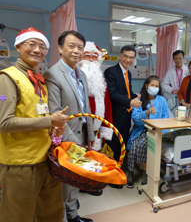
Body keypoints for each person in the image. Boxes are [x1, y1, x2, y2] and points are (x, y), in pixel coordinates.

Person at [0, 27, 69, 222]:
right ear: (18, 46)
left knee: (52, 211)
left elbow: (35, 115)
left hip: (45, 158)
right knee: (17, 215)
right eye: (31, 44)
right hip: (21, 162)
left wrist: (55, 127)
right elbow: (4, 123)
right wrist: (49, 120)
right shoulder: (7, 78)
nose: (37, 50)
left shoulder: (39, 80)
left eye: (42, 46)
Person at [44, 31, 95, 222]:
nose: (76, 51)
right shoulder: (53, 74)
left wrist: (90, 134)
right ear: (60, 48)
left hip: (82, 132)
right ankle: (62, 217)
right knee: (64, 179)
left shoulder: (81, 73)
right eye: (71, 46)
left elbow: (86, 107)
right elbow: (56, 113)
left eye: (80, 47)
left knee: (76, 176)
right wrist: (76, 145)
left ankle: (73, 214)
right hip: (65, 135)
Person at [77, 41, 114, 197]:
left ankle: (91, 184)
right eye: (87, 56)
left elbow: (107, 105)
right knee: (78, 155)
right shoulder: (75, 78)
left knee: (95, 154)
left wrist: (108, 127)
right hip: (79, 126)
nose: (90, 60)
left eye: (94, 56)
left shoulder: (101, 82)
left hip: (97, 127)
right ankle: (77, 183)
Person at [104, 45, 142, 189]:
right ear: (120, 55)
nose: (128, 60)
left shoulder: (128, 73)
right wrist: (129, 101)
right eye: (126, 56)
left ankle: (118, 173)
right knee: (114, 146)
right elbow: (113, 94)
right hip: (115, 115)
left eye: (131, 57)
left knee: (123, 145)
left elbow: (127, 92)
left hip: (126, 115)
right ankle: (111, 178)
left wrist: (137, 97)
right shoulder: (111, 72)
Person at [126, 76, 169, 189]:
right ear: (146, 86)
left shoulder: (162, 101)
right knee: (133, 146)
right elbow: (135, 119)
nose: (154, 88)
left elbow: (166, 119)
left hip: (154, 131)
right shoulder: (139, 100)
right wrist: (147, 113)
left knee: (144, 145)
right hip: (140, 130)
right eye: (152, 85)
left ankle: (145, 174)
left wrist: (161, 133)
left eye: (156, 86)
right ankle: (130, 172)